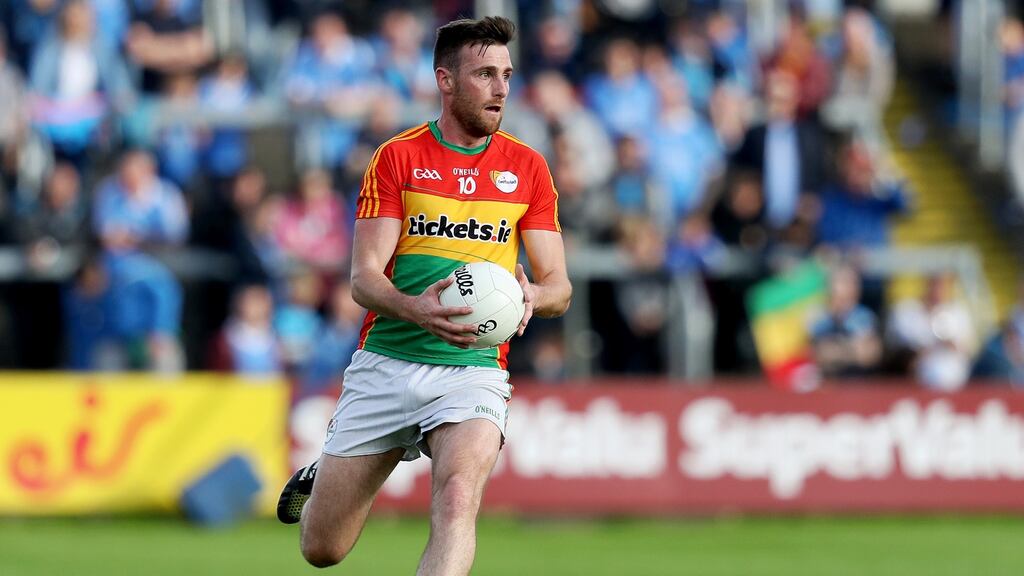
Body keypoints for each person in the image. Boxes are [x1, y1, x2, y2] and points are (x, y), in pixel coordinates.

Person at [276, 16, 572, 575]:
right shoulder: (397, 158)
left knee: (459, 498)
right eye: (484, 74)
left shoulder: (527, 167)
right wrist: (417, 310)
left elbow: (559, 285)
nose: (501, 88)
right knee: (322, 549)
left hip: (474, 369)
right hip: (388, 359)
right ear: (446, 80)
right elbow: (363, 277)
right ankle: (325, 475)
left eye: (506, 75)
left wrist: (533, 294)